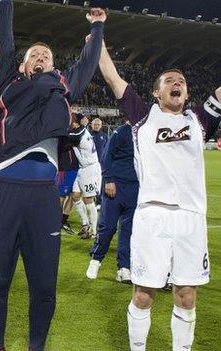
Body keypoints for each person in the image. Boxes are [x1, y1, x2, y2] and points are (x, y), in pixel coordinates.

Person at [0, 1, 105, 350]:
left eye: (47, 56)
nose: (41, 58)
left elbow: (86, 64)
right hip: (4, 190)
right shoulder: (7, 78)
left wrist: (97, 28)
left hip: (42, 197)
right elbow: (2, 36)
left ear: (54, 66)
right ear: (22, 63)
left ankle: (36, 346)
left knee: (44, 286)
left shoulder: (62, 86)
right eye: (34, 55)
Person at [98, 40, 220, 351]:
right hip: (153, 217)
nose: (176, 83)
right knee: (143, 294)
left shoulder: (199, 120)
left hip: (191, 218)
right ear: (157, 92)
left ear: (187, 93)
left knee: (187, 294)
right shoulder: (142, 116)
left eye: (181, 81)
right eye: (169, 80)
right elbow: (113, 78)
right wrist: (96, 39)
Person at [86, 120, 137, 282]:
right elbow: (106, 156)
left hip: (136, 188)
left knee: (128, 230)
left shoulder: (147, 132)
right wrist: (108, 180)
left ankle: (124, 267)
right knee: (107, 227)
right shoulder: (122, 131)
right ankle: (96, 260)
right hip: (115, 185)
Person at [70, 113, 101, 239]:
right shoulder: (81, 130)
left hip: (89, 168)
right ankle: (85, 224)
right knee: (76, 196)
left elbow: (66, 137)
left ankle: (93, 231)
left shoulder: (77, 134)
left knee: (89, 200)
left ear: (75, 123)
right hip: (83, 168)